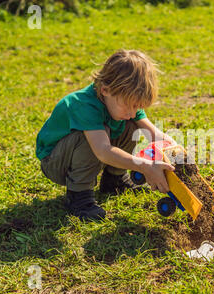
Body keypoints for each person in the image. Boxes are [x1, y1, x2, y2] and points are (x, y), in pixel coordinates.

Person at [36, 49, 177, 220]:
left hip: (89, 155)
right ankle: (79, 196)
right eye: (129, 106)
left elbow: (154, 133)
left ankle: (114, 180)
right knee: (87, 137)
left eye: (137, 107)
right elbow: (103, 150)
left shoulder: (123, 104)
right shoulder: (84, 105)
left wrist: (177, 153)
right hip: (57, 163)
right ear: (105, 90)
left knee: (132, 125)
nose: (133, 112)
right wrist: (145, 166)